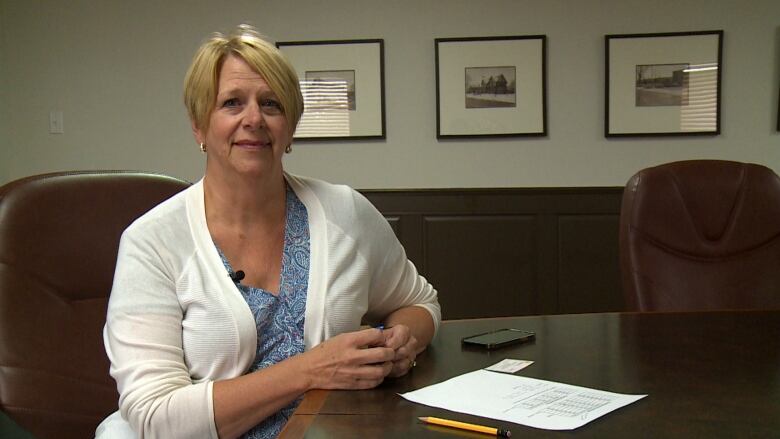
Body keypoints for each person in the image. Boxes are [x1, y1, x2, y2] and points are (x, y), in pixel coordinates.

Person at [95, 24, 440, 439]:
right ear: (199, 127)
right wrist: (311, 370)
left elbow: (419, 302)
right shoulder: (151, 243)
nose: (254, 119)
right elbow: (156, 417)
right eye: (232, 103)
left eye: (271, 104)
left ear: (290, 128)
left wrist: (405, 342)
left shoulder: (346, 213)